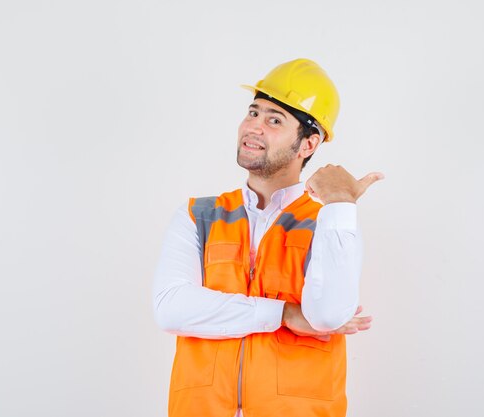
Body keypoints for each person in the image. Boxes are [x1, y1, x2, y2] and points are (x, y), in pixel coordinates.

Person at [153, 58, 383, 417]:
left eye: (274, 120)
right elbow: (171, 309)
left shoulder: (329, 221)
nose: (254, 127)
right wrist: (285, 314)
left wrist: (341, 204)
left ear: (309, 144)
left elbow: (327, 316)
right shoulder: (198, 215)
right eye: (253, 112)